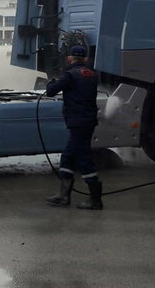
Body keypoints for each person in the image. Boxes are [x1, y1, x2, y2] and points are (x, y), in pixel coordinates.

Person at [44, 45, 102, 210]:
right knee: (68, 156)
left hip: (78, 122)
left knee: (84, 159)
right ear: (84, 59)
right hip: (87, 121)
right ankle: (63, 196)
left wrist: (53, 82)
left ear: (70, 59)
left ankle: (95, 199)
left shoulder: (70, 75)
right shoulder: (91, 75)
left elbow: (50, 92)